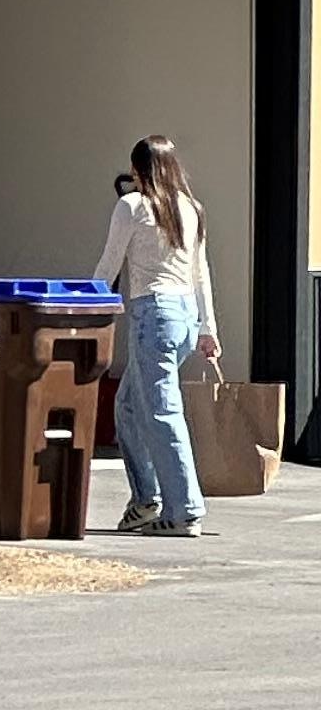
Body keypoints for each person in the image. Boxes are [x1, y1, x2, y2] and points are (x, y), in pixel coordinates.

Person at [96, 133, 220, 537]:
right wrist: (208, 329)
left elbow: (109, 265)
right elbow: (201, 274)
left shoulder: (132, 206)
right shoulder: (192, 208)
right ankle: (146, 500)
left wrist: (85, 307)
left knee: (163, 414)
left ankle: (184, 509)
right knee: (130, 407)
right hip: (183, 316)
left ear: (137, 170)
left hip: (154, 316)